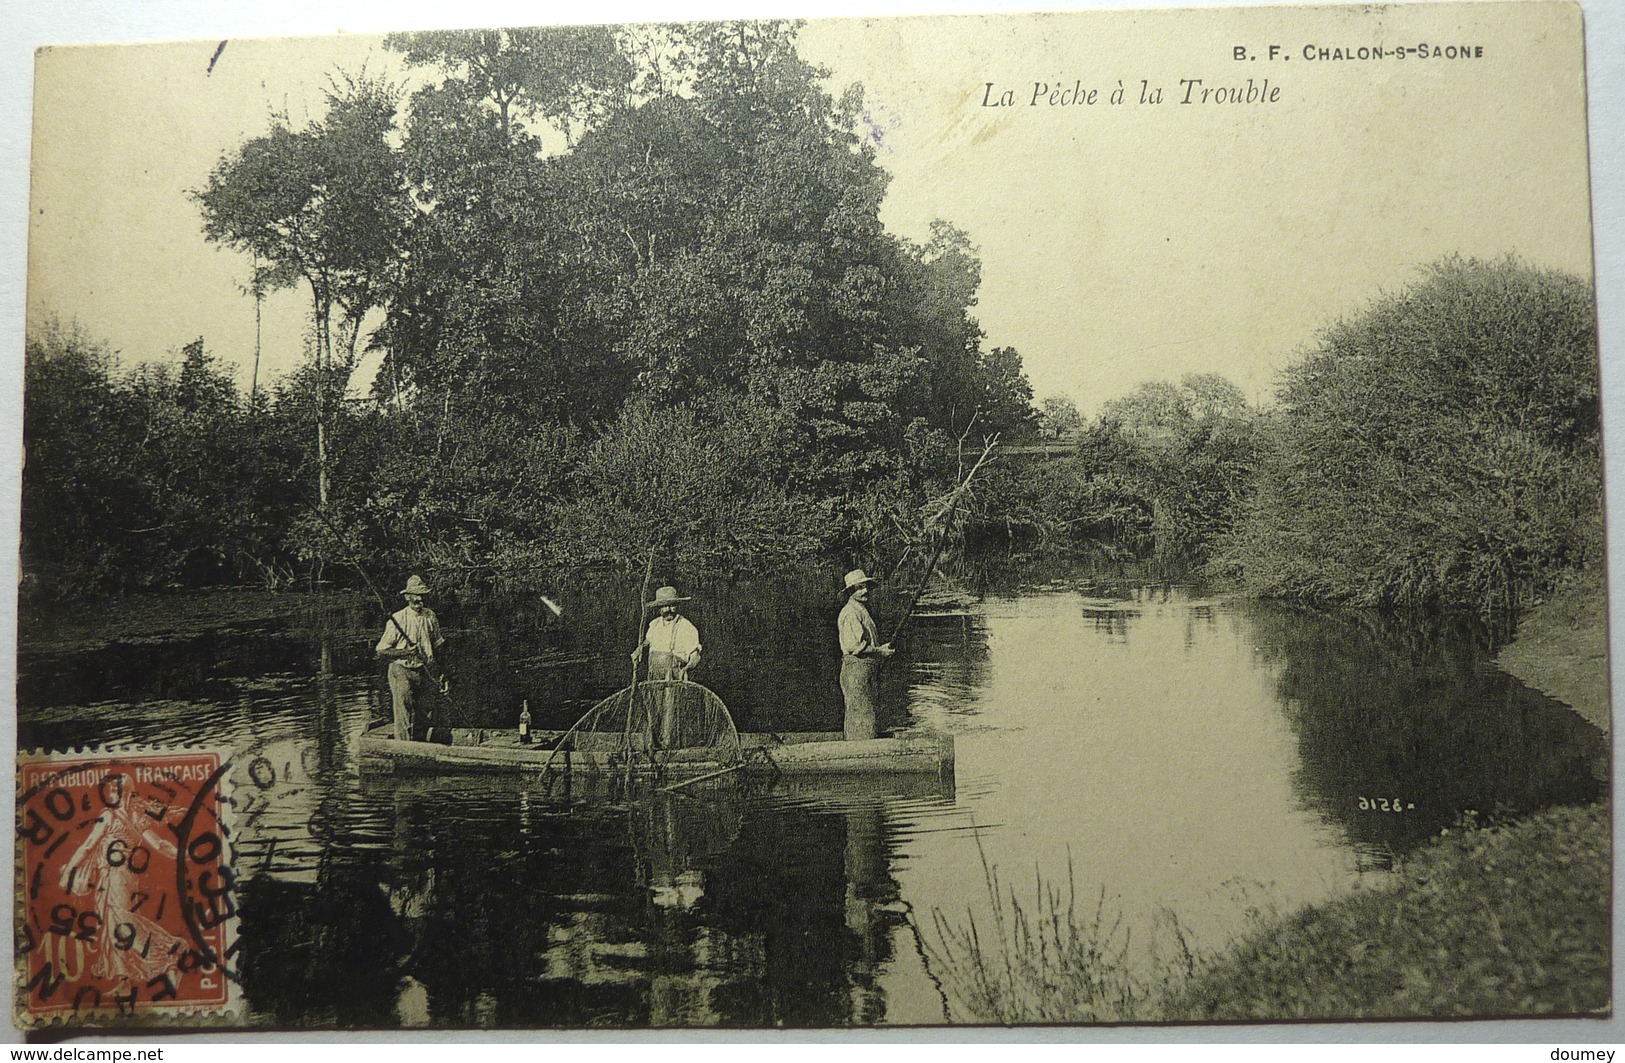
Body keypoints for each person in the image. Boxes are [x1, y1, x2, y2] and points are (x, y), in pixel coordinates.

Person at [376, 575, 448, 743]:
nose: (419, 599)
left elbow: (439, 646)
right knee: (405, 713)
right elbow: (381, 651)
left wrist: (443, 673)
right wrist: (405, 653)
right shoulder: (398, 619)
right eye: (415, 595)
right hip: (402, 670)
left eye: (422, 595)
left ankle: (420, 749)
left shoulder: (430, 616)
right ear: (407, 597)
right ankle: (404, 749)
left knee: (426, 712)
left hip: (425, 670)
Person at [633, 585, 702, 747]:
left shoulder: (687, 627)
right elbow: (648, 641)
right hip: (654, 674)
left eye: (672, 606)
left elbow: (695, 655)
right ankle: (650, 744)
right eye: (664, 606)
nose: (668, 610)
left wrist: (686, 668)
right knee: (652, 708)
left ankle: (668, 746)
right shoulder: (654, 625)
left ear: (677, 606)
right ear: (659, 608)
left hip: (673, 675)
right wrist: (640, 648)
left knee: (669, 711)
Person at [837, 568, 894, 740]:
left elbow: (865, 643)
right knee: (861, 714)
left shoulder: (861, 610)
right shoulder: (850, 613)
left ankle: (861, 746)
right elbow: (855, 647)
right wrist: (880, 651)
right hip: (856, 672)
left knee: (866, 715)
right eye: (860, 588)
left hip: (864, 671)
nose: (865, 591)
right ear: (851, 592)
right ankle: (860, 752)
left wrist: (879, 649)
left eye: (866, 587)